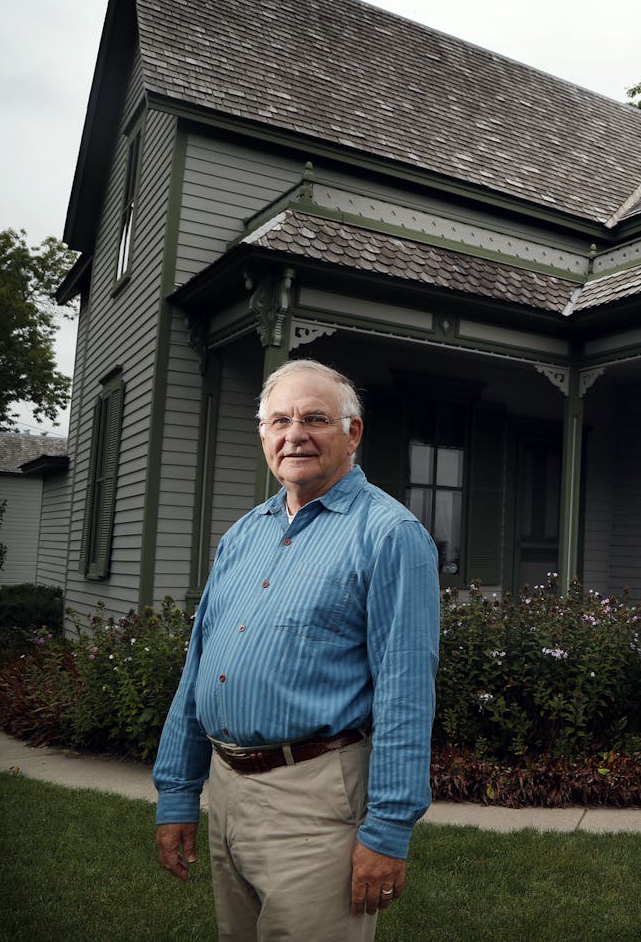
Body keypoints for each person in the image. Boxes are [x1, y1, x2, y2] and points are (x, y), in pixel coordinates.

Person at [152, 359, 439, 941]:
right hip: (226, 790)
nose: (294, 434)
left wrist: (386, 831)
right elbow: (199, 669)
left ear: (352, 433)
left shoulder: (389, 535)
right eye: (278, 420)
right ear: (263, 435)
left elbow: (406, 693)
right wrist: (178, 793)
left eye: (315, 418)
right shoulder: (243, 534)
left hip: (316, 799)